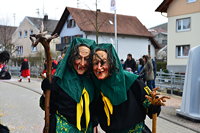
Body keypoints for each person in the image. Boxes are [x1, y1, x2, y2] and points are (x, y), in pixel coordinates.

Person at [91, 43, 161, 133]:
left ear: (111, 62)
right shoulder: (96, 86)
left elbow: (152, 109)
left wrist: (154, 105)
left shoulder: (131, 80)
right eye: (95, 63)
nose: (99, 67)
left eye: (103, 62)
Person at [40, 38, 97, 133]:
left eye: (87, 59)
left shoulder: (93, 80)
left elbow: (95, 107)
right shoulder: (59, 80)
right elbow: (44, 105)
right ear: (72, 57)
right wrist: (46, 91)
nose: (82, 63)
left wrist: (95, 123)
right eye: (78, 58)